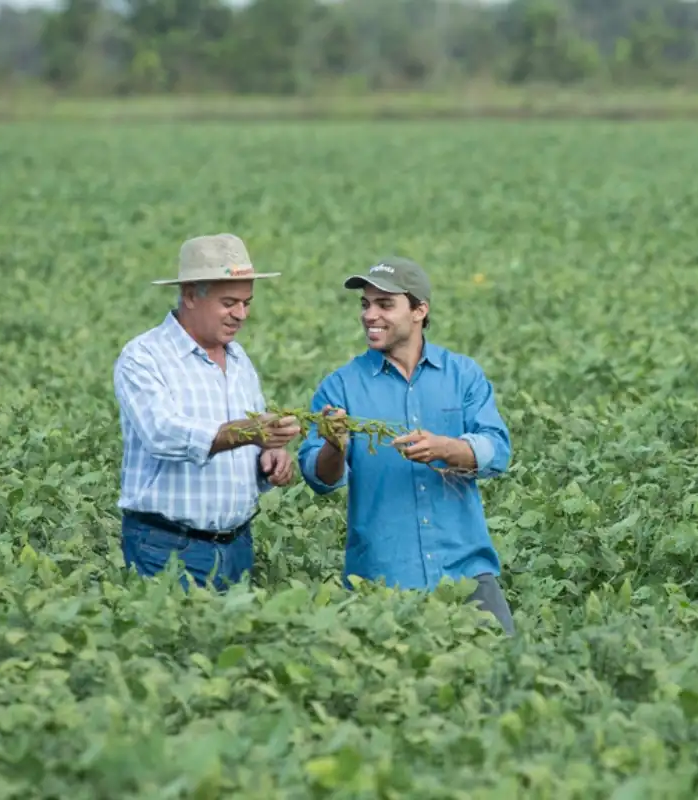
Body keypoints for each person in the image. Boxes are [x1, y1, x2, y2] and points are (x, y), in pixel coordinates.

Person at [296, 256, 517, 636]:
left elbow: (497, 451)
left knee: (506, 674)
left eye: (385, 305)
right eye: (365, 304)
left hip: (465, 571)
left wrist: (446, 448)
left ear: (419, 311)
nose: (370, 315)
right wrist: (335, 445)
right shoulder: (341, 387)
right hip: (383, 576)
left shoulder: (462, 375)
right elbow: (321, 478)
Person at [112, 232, 302, 592]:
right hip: (167, 546)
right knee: (172, 644)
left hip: (237, 545)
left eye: (247, 302)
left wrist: (271, 454)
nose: (241, 314)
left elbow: (251, 433)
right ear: (189, 295)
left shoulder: (238, 358)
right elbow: (162, 434)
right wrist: (249, 433)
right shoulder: (144, 357)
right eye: (229, 302)